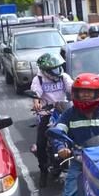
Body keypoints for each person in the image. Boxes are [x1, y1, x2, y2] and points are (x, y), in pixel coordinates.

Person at [31, 52, 73, 188]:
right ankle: (43, 171)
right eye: (53, 69)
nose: (57, 71)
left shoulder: (63, 77)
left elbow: (73, 87)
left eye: (58, 67)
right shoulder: (39, 79)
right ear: (45, 70)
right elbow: (36, 92)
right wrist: (36, 102)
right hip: (47, 113)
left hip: (64, 110)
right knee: (41, 142)